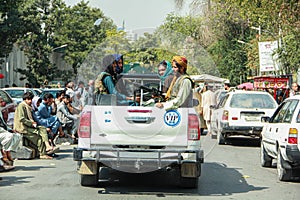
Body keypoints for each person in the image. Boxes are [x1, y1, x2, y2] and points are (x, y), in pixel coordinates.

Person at [13, 92, 55, 159]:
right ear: (25, 99)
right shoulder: (22, 106)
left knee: (43, 129)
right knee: (40, 137)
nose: (30, 101)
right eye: (28, 99)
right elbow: (22, 118)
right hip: (23, 128)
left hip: (27, 127)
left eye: (31, 99)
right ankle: (43, 152)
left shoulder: (28, 107)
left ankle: (46, 147)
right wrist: (31, 123)